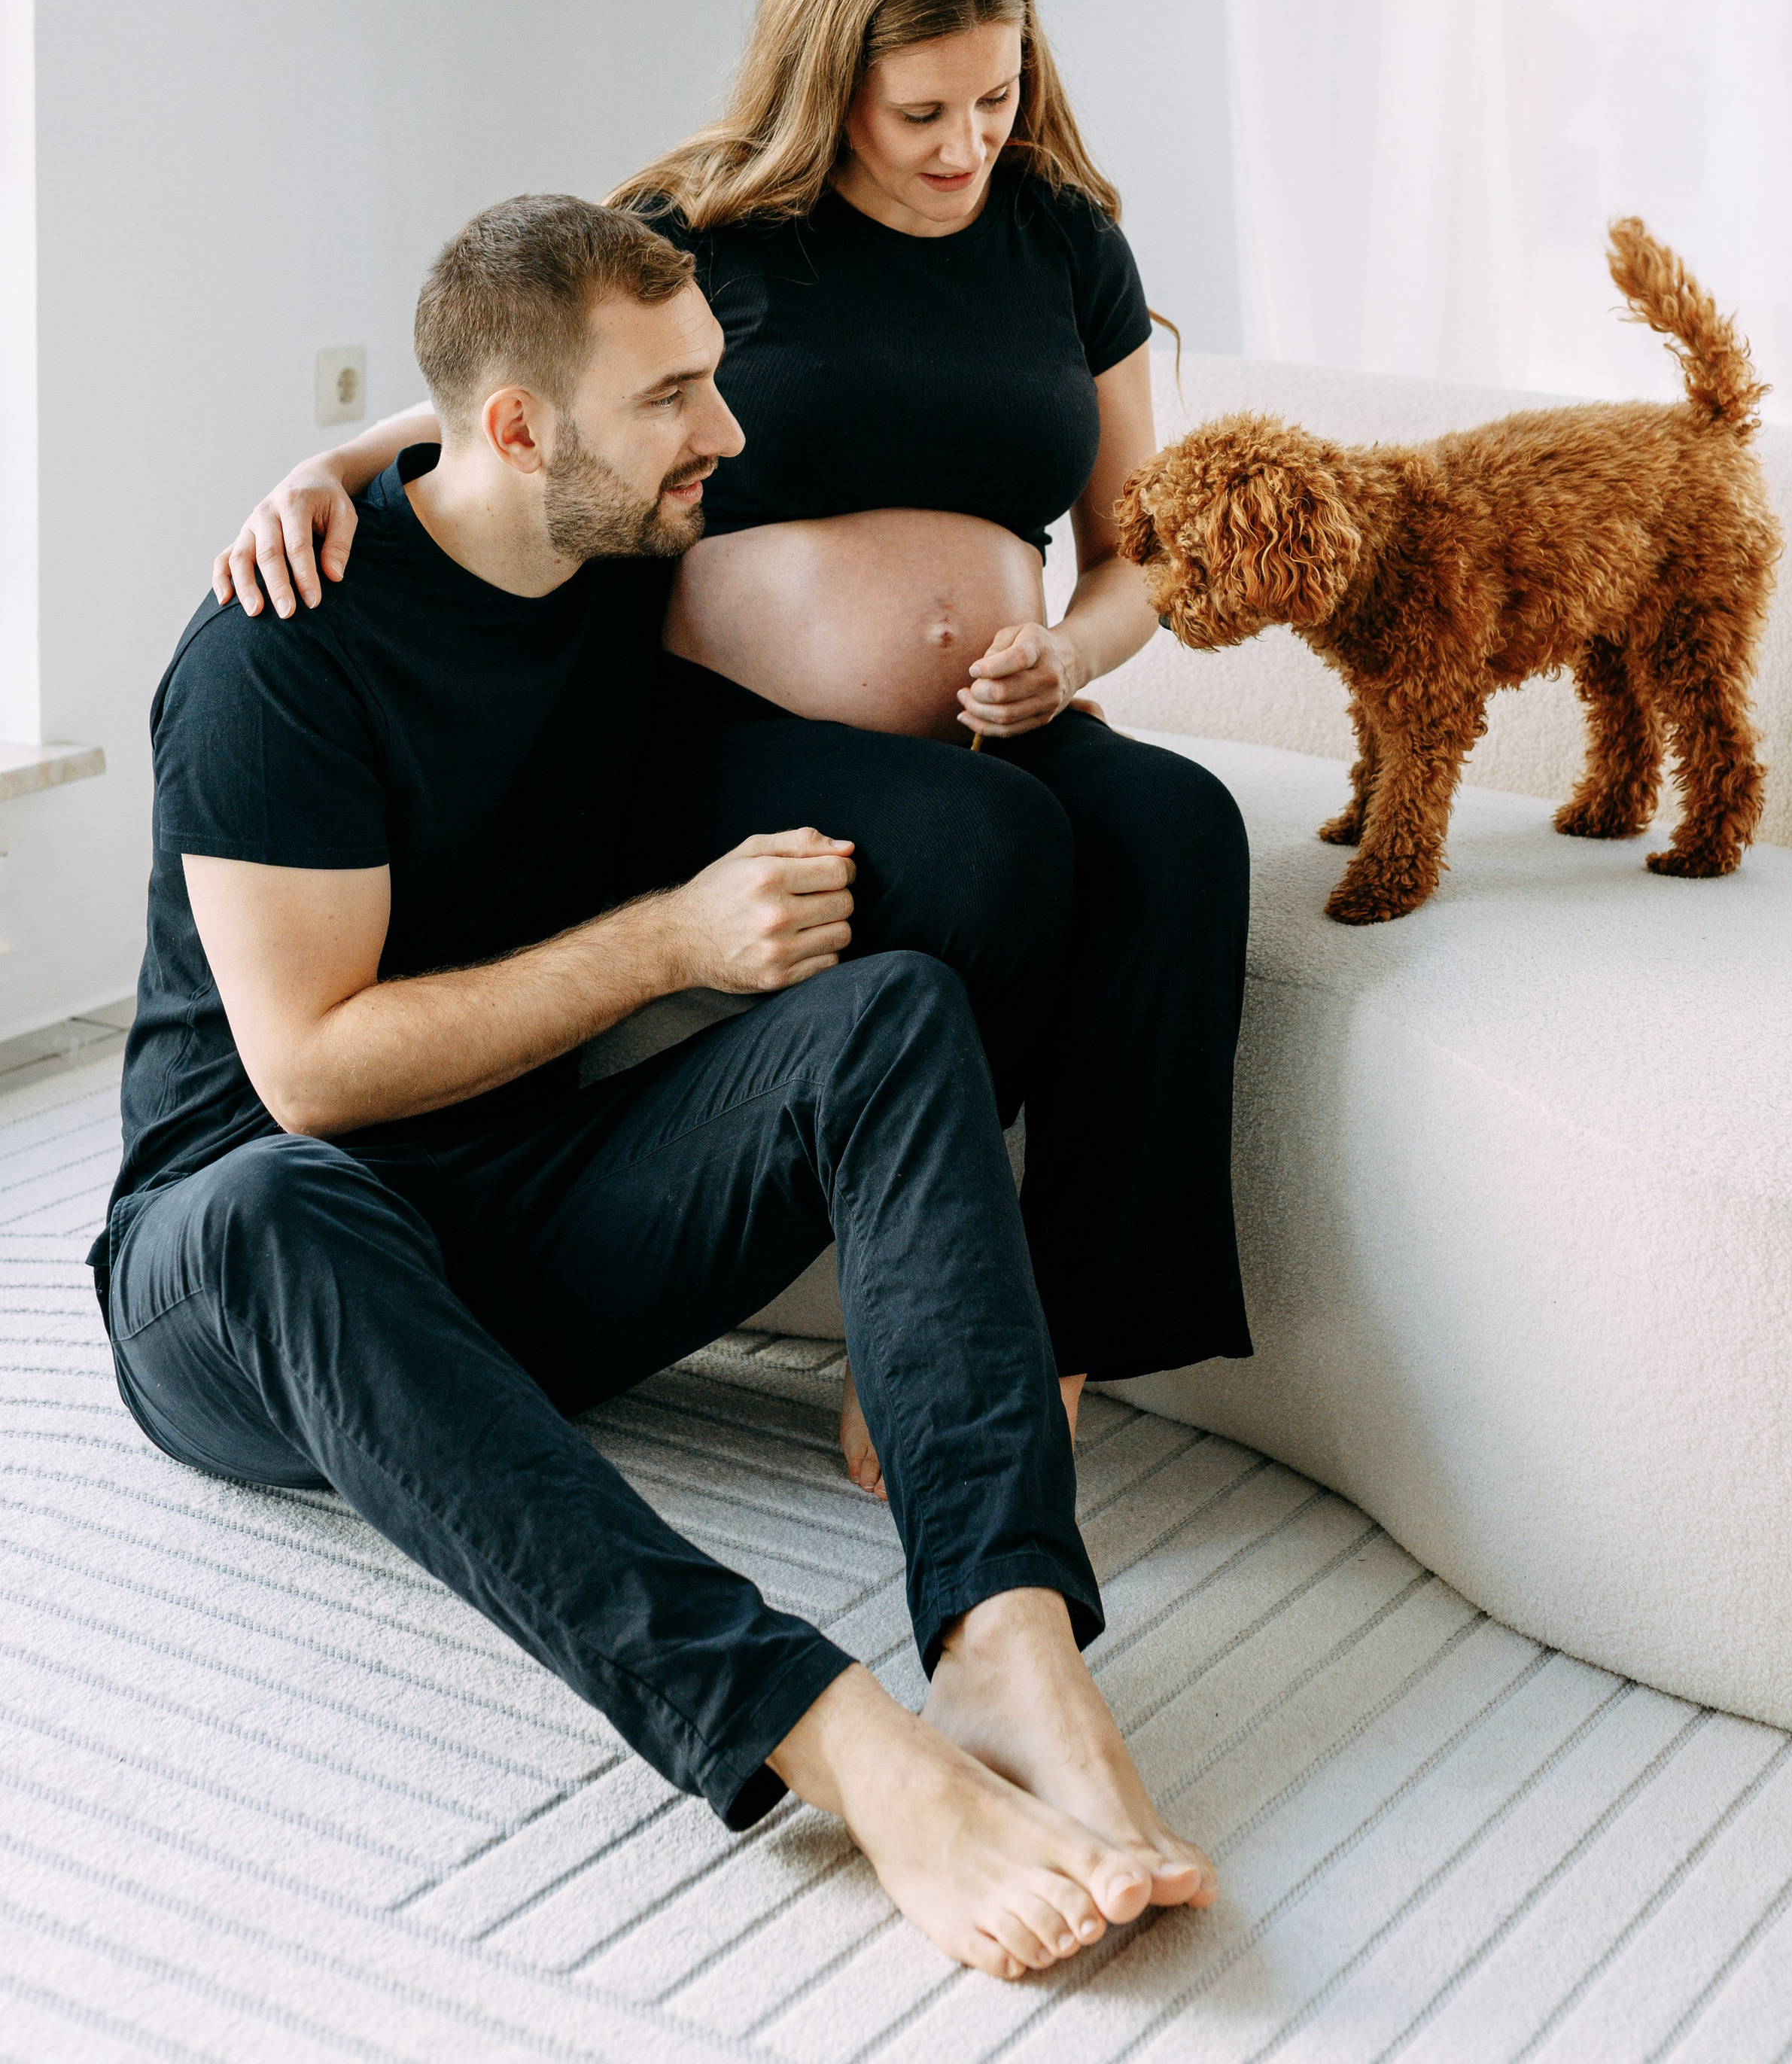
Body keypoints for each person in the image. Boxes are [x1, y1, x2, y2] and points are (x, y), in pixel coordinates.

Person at [93, 194, 1216, 1979]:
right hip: (255, 1291)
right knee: (269, 1198)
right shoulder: (278, 647)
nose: (729, 432)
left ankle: (1008, 1631)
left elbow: (450, 419)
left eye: (714, 378)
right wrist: (668, 945)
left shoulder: (615, 552)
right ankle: (829, 1737)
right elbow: (304, 1074)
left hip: (530, 1223)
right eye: (676, 397)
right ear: (527, 431)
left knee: (895, 1013)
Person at [215, 0, 1252, 1499]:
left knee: (1179, 831)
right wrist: (326, 464)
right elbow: (518, 387)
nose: (965, 143)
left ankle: (1042, 1327)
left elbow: (1139, 550)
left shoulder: (1065, 241)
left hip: (1007, 718)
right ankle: (912, 1330)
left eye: (996, 95)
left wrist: (1068, 653)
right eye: (922, 108)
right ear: (830, 73)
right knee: (990, 851)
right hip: (714, 737)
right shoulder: (710, 228)